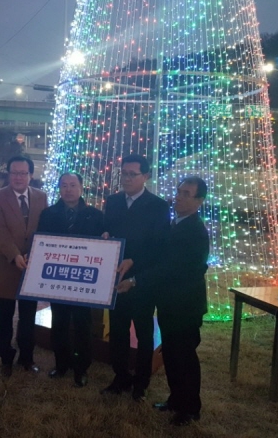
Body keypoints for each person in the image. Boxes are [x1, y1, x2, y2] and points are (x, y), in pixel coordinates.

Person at [117, 176, 209, 426]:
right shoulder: (175, 223)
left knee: (184, 357)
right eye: (179, 191)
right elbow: (157, 256)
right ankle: (176, 400)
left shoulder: (194, 231)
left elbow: (170, 268)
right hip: (169, 304)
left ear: (199, 201)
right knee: (171, 353)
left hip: (185, 307)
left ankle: (190, 409)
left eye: (187, 194)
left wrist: (135, 280)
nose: (179, 197)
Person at [101, 154, 171, 401]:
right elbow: (108, 229)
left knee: (143, 332)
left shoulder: (159, 206)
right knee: (118, 329)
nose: (127, 178)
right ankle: (120, 376)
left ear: (146, 176)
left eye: (133, 174)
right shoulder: (113, 201)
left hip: (143, 279)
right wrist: (105, 235)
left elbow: (159, 247)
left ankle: (141, 382)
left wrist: (135, 261)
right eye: (124, 173)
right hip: (116, 277)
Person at [37, 172, 105, 387]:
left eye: (73, 185)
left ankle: (81, 368)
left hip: (83, 282)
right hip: (58, 279)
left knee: (83, 324)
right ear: (59, 188)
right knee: (59, 322)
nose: (68, 189)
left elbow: (102, 247)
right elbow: (41, 244)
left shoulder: (95, 216)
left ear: (81, 188)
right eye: (64, 185)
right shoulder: (48, 214)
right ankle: (61, 364)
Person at [0, 155, 47, 377]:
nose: (18, 177)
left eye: (23, 173)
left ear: (30, 175)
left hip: (32, 267)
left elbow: (43, 229)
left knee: (28, 317)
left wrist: (34, 254)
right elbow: (0, 233)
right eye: (14, 173)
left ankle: (27, 358)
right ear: (8, 174)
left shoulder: (41, 197)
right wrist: (15, 255)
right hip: (5, 266)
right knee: (4, 319)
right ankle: (6, 359)